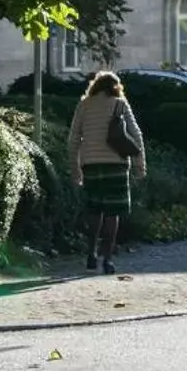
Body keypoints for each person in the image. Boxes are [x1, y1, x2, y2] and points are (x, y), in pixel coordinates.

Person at [68, 70, 147, 273]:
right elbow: (136, 134)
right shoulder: (120, 104)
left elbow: (74, 138)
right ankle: (108, 259)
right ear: (116, 87)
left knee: (94, 209)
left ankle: (90, 253)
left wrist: (75, 168)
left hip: (91, 165)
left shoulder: (84, 105)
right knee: (113, 212)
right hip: (116, 165)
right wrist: (140, 165)